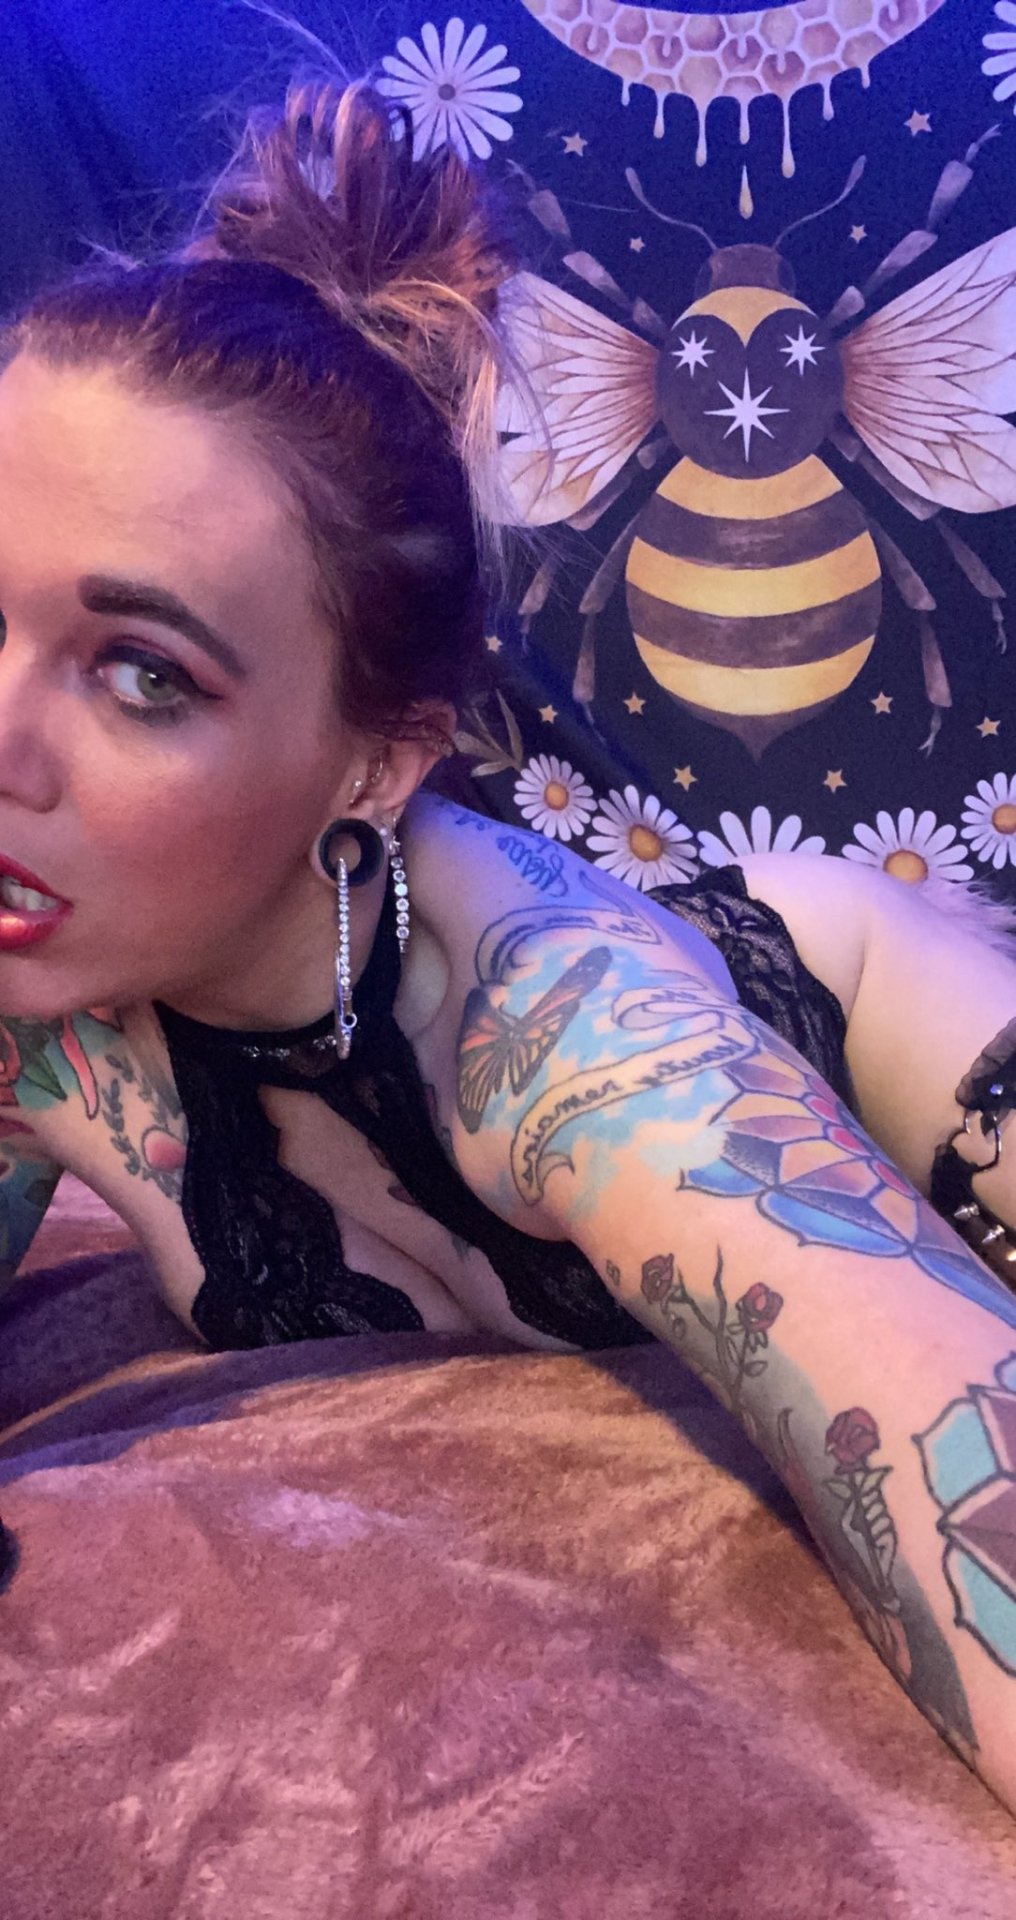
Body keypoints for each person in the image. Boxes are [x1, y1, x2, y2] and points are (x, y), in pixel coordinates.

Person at [2, 72, 1016, 1812]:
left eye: (143, 673)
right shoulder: (40, 1001)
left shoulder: (569, 1032)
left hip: (899, 1035)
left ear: (375, 762)